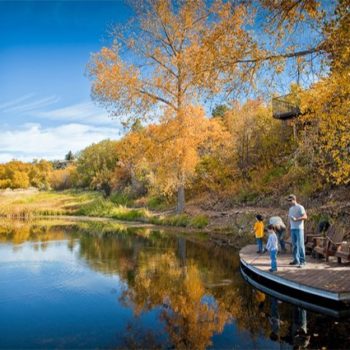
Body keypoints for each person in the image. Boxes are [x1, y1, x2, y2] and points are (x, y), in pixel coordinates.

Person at [288, 194, 307, 268]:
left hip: (299, 228)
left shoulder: (300, 207)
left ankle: (303, 261)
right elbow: (290, 218)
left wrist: (297, 219)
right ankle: (296, 260)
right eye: (288, 200)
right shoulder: (290, 209)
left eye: (290, 200)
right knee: (294, 245)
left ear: (294, 199)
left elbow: (305, 217)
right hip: (292, 228)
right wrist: (289, 226)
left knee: (301, 245)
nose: (289, 202)